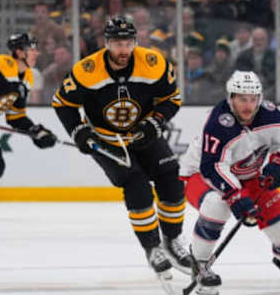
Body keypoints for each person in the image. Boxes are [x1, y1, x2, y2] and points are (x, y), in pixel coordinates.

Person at [51, 16, 191, 278]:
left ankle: (172, 241)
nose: (123, 50)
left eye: (127, 43)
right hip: (107, 141)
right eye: (117, 43)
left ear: (135, 42)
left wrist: (155, 122)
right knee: (135, 183)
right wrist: (79, 131)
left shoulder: (154, 63)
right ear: (107, 44)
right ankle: (152, 248)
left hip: (143, 134)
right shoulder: (87, 69)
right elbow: (62, 103)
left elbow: (172, 98)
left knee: (170, 176)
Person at [179, 70, 280, 295]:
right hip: (199, 176)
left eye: (253, 99)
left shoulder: (268, 114)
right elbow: (213, 167)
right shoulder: (219, 122)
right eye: (242, 99)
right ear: (231, 98)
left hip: (247, 176)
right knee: (216, 205)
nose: (248, 106)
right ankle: (199, 264)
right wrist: (236, 196)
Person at [0, 33, 57, 239]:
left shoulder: (29, 77)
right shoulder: (2, 63)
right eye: (32, 48)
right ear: (18, 52)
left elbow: (15, 117)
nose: (36, 52)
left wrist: (36, 131)